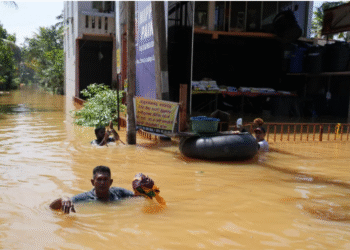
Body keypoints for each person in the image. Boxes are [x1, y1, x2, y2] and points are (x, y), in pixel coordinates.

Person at [49, 166, 165, 214]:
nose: (102, 183)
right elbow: (51, 208)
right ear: (92, 182)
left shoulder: (119, 193)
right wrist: (63, 199)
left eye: (105, 180)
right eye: (99, 180)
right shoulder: (84, 198)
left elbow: (139, 197)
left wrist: (150, 191)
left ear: (110, 182)